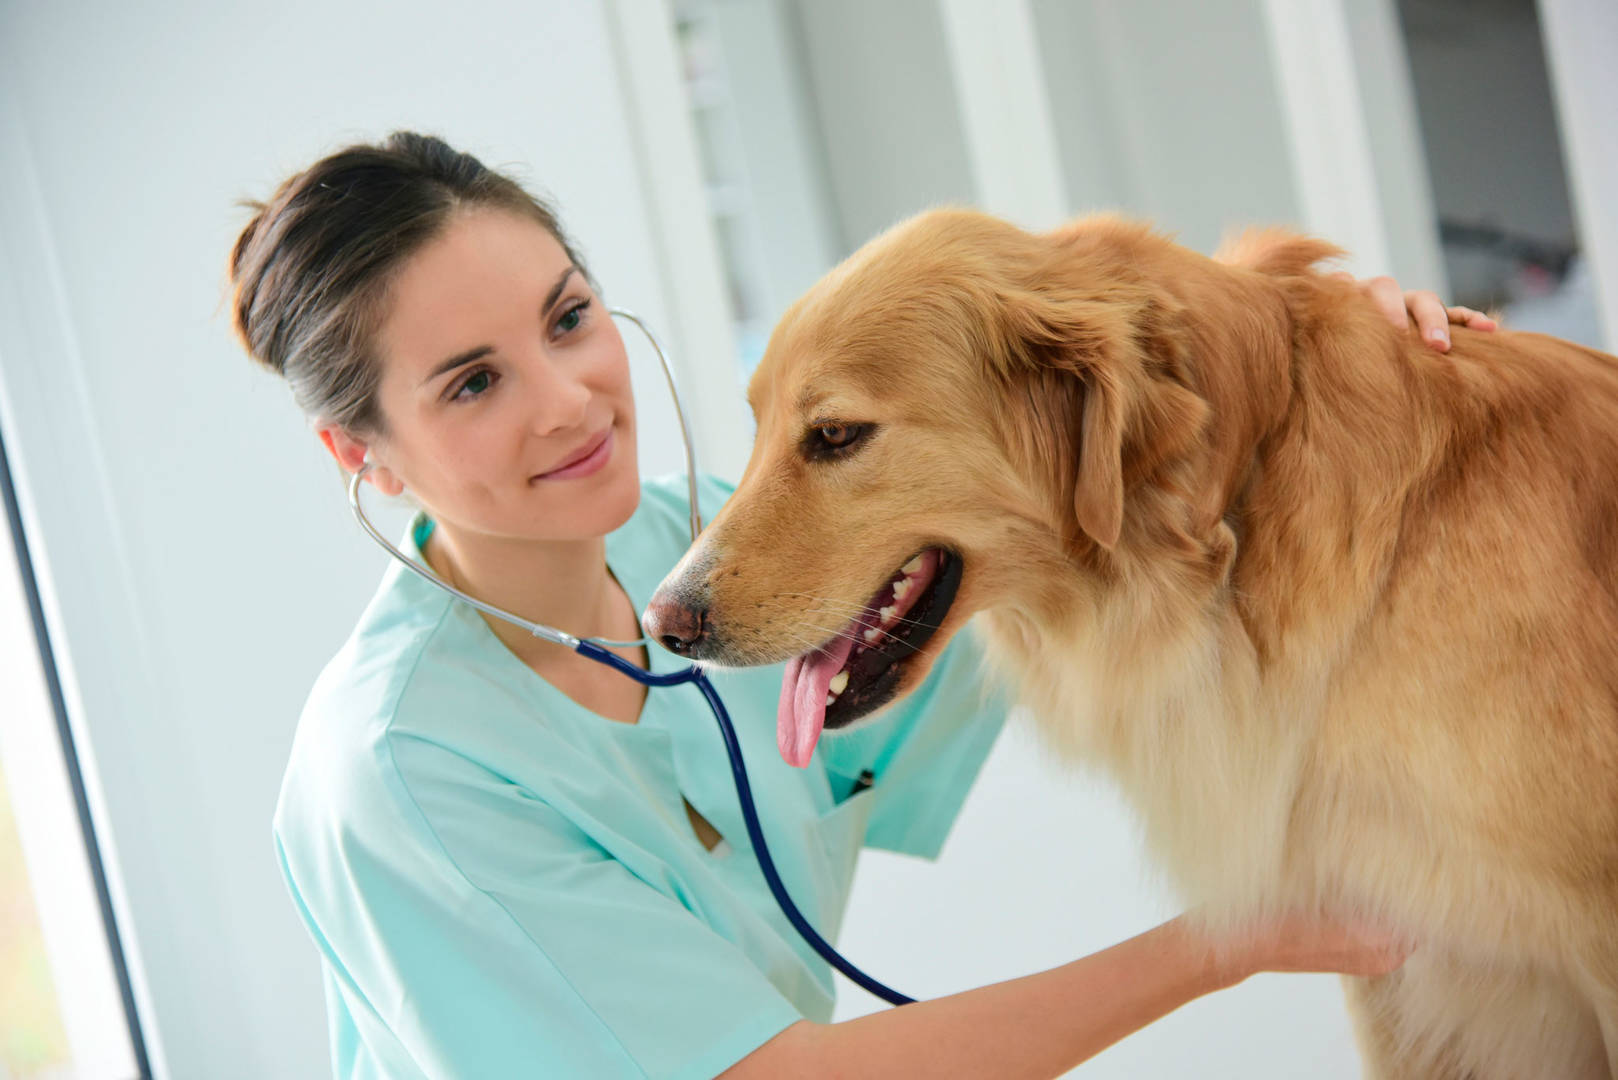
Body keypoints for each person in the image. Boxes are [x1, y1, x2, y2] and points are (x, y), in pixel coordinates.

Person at [232, 131, 1493, 1079]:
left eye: (567, 317)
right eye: (471, 383)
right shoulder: (401, 774)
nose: (566, 399)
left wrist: (1323, 349)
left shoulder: (705, 548)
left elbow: (1053, 496)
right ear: (366, 456)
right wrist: (1224, 941)